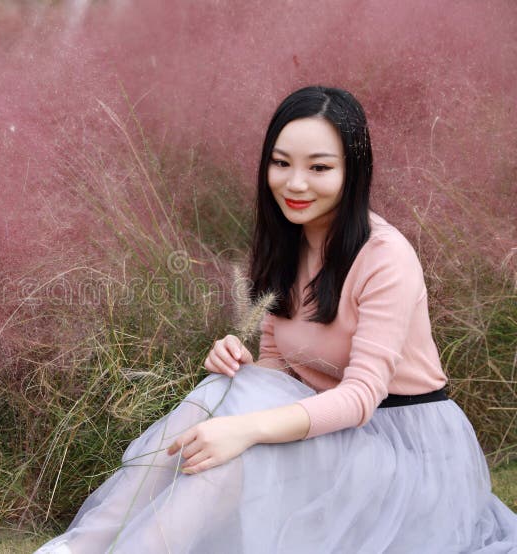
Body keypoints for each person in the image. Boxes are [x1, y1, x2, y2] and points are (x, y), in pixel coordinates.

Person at [35, 86, 517, 553]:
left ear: (354, 172)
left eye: (320, 167)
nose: (296, 183)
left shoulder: (385, 257)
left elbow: (360, 399)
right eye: (281, 163)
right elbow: (278, 370)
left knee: (238, 453)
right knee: (208, 403)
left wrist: (244, 429)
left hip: (403, 451)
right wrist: (239, 365)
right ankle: (82, 547)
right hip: (333, 435)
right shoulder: (286, 242)